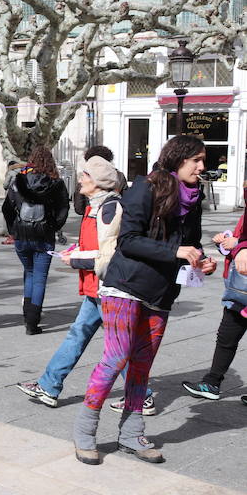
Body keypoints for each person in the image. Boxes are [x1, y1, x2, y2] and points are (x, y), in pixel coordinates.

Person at [73, 135, 216, 466]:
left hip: (160, 292)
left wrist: (201, 258)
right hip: (124, 286)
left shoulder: (194, 198)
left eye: (202, 160)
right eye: (196, 159)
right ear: (178, 158)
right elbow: (129, 240)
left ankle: (130, 433)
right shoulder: (146, 187)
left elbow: (189, 242)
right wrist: (175, 251)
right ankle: (85, 431)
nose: (201, 166)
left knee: (142, 365)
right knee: (117, 357)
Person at [16, 155, 158, 413]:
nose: (80, 179)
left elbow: (111, 255)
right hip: (97, 287)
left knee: (118, 346)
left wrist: (77, 259)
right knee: (80, 335)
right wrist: (78, 250)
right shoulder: (96, 206)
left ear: (97, 182)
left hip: (110, 288)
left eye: (85, 176)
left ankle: (142, 395)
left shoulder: (109, 209)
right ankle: (49, 386)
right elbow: (98, 246)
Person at [181, 188, 247, 401]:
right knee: (227, 335)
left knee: (227, 335)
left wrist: (239, 244)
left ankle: (212, 382)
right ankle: (212, 382)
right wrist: (228, 241)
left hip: (242, 290)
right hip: (240, 288)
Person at [2, 146, 70, 334]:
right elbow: (64, 209)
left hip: (22, 235)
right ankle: (32, 321)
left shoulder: (19, 180)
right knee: (39, 277)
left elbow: (7, 208)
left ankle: (27, 312)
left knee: (29, 272)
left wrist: (12, 230)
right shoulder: (56, 183)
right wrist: (54, 226)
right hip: (44, 235)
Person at [73, 145, 128, 216]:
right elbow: (126, 200)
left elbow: (79, 208)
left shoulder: (87, 177)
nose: (81, 180)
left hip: (91, 218)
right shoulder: (119, 176)